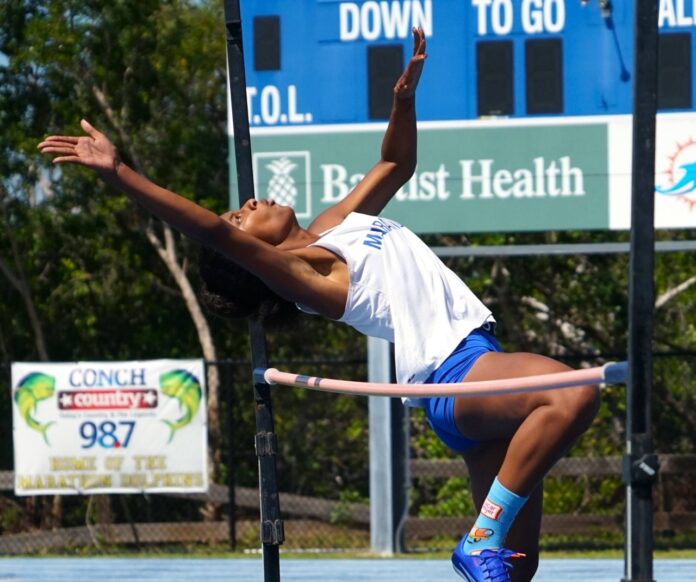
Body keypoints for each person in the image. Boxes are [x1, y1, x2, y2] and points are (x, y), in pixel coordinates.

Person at [39, 27, 599, 582]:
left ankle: (487, 542)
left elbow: (395, 166)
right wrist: (120, 174)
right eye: (242, 216)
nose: (250, 203)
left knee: (515, 571)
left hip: (477, 365)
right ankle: (481, 533)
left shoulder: (335, 226)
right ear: (252, 251)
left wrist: (403, 103)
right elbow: (210, 231)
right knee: (572, 391)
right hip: (456, 374)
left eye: (241, 207)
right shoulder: (306, 277)